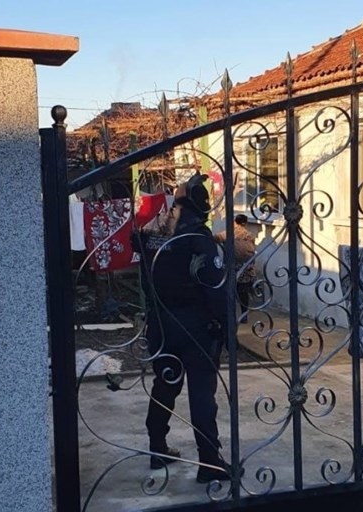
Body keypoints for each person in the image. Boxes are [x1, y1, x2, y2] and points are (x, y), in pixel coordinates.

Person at [133, 174, 236, 483]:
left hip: (161, 325)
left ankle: (157, 447)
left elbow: (137, 247)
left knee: (165, 386)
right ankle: (210, 463)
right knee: (202, 393)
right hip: (195, 327)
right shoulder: (199, 239)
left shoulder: (156, 235)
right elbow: (215, 288)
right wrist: (226, 327)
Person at [215, 214, 257, 323]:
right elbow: (253, 250)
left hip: (232, 267)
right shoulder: (250, 235)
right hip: (246, 267)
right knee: (243, 293)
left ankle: (231, 316)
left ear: (234, 222)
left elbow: (215, 238)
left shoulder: (227, 233)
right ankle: (244, 315)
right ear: (245, 223)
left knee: (230, 292)